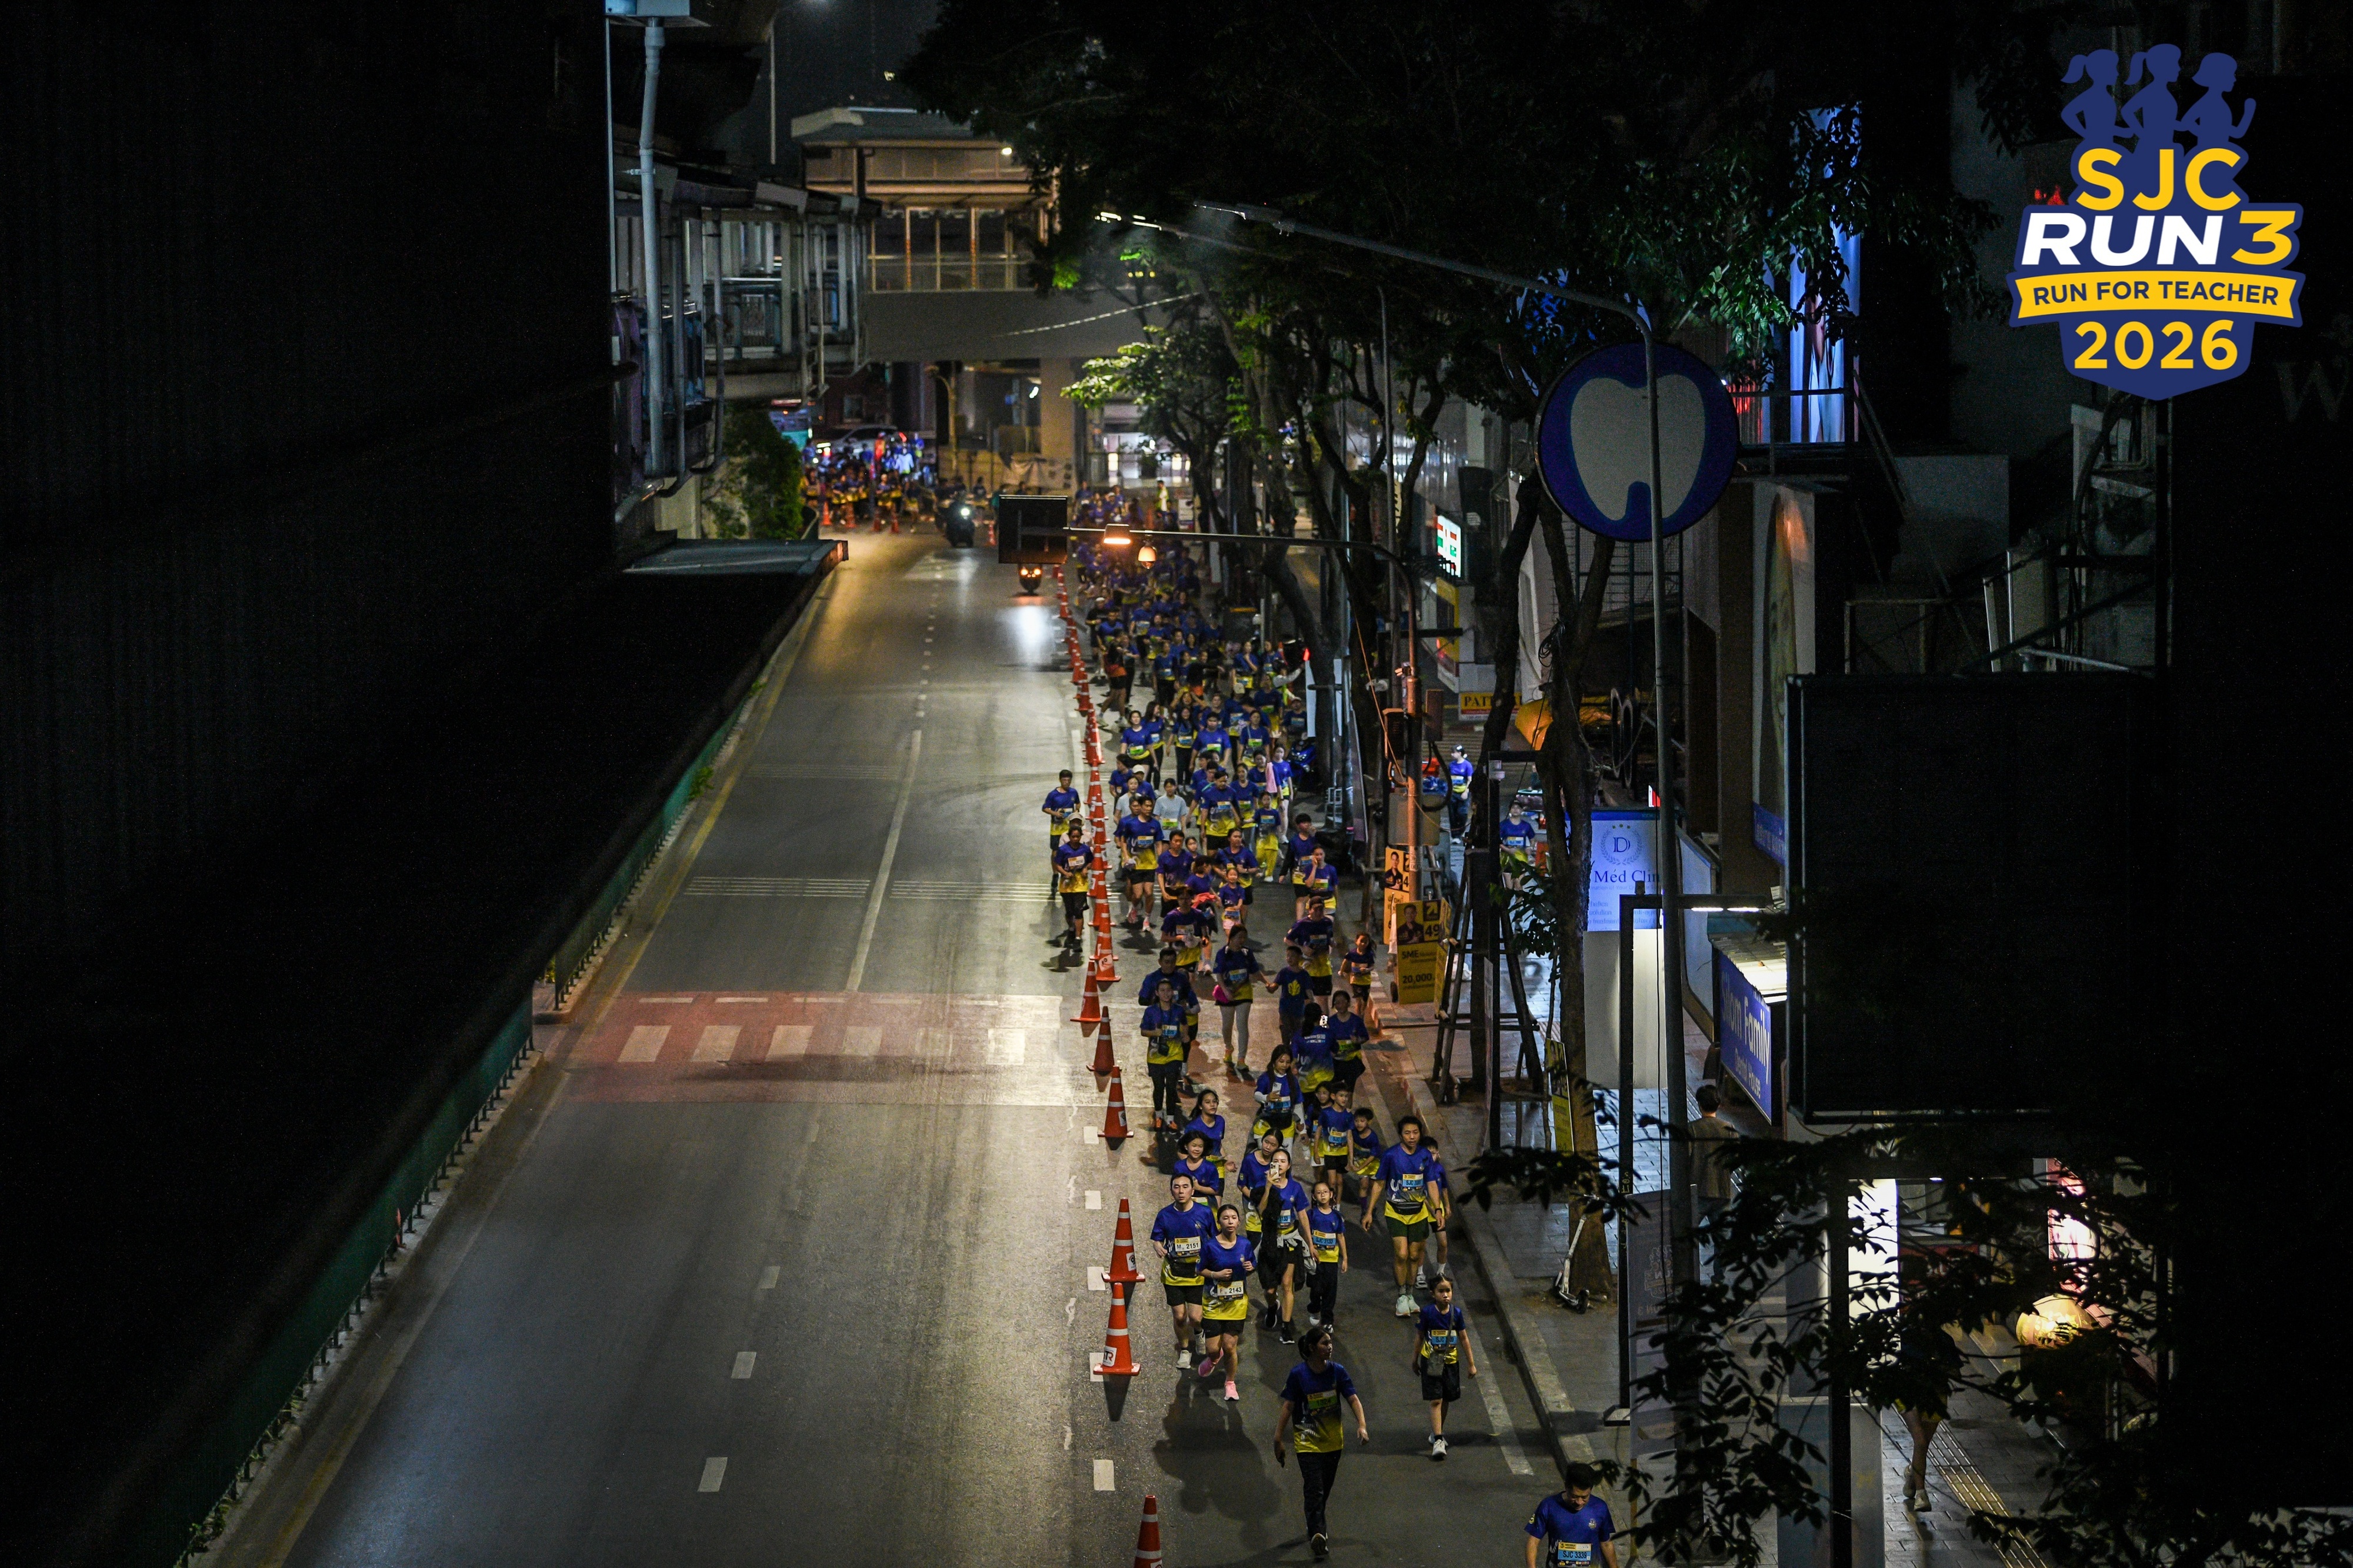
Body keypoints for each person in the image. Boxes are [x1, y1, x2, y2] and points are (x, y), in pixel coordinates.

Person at [1274, 1324, 1368, 1562]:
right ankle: (1318, 1533)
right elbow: (1289, 1407)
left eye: (1330, 1343)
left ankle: (1315, 1523)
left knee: (1323, 1490)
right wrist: (1278, 1438)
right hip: (1307, 1441)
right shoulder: (1298, 1375)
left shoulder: (1337, 1372)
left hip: (1333, 1442)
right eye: (1325, 1343)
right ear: (1312, 1348)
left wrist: (1362, 1425)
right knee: (1314, 1488)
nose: (1330, 1347)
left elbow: (1353, 1399)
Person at [1365, 1113, 1445, 1317]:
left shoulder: (1425, 1156)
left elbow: (1431, 1183)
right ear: (1400, 1135)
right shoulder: (1391, 1156)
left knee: (1414, 1255)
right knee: (1401, 1254)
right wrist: (1369, 1212)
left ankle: (1410, 1294)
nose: (1412, 1136)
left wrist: (1437, 1209)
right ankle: (1401, 1296)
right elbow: (1380, 1183)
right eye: (1407, 1133)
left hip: (1418, 1213)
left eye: (1415, 1132)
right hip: (1396, 1212)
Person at [1149, 1172, 1217, 1369]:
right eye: (1177, 1187)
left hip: (1198, 1274)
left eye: (1185, 1187)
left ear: (1192, 1191)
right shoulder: (1164, 1215)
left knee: (1196, 1318)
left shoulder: (1204, 1213)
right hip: (1174, 1273)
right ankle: (1185, 1350)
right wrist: (1158, 1246)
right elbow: (1157, 1239)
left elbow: (1214, 1239)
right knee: (1179, 1316)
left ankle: (1199, 1331)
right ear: (1171, 1191)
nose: (1181, 1191)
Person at [1415, 1273, 1477, 1459]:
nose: (1445, 1295)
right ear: (1433, 1294)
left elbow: (1464, 1338)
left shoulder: (1456, 1314)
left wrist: (1471, 1364)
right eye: (1441, 1291)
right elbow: (1419, 1337)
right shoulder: (1427, 1313)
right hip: (1432, 1361)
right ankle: (1438, 1440)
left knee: (1447, 1398)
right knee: (1436, 1399)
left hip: (1450, 1362)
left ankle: (1437, 1431)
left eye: (1448, 1291)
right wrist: (1414, 1360)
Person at [1197, 1205, 1255, 1400]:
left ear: (1239, 1222)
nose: (1230, 1221)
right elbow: (1200, 1269)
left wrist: (1250, 1267)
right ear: (1219, 1222)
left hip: (1237, 1304)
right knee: (1214, 1349)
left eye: (1233, 1218)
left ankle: (1230, 1383)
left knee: (1230, 1346)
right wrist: (1216, 1274)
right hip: (1214, 1304)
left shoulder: (1245, 1244)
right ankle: (1214, 1358)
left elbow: (1252, 1264)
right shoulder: (1210, 1246)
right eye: (1225, 1218)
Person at [1259, 1146, 1313, 1340]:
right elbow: (1261, 1212)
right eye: (1276, 1161)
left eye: (1283, 1161)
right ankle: (1273, 1306)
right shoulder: (1264, 1185)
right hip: (1271, 1242)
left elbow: (1303, 1215)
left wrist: (1310, 1243)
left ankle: (1286, 1327)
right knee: (1270, 1290)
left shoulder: (1295, 1188)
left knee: (1287, 1283)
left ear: (1289, 1165)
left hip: (1290, 1240)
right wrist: (1268, 1187)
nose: (1279, 1164)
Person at [1525, 1464, 1619, 1568]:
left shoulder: (1600, 1508)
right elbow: (1533, 1542)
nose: (1579, 1502)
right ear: (1566, 1487)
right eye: (1574, 1496)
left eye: (1584, 1497)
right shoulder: (1548, 1506)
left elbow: (1606, 1543)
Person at [1689, 1083, 1737, 1280]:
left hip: (1698, 1193)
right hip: (1722, 1193)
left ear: (1699, 1105)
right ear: (1718, 1105)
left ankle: (1690, 1275)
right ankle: (1719, 1277)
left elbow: (1684, 1160)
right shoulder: (1729, 1129)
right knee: (1722, 1240)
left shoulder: (1693, 1129)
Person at [1211, 925, 1266, 1076]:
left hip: (1244, 993)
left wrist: (1267, 983)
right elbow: (1219, 975)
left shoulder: (1247, 953)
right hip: (1227, 994)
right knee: (1227, 1026)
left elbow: (1255, 971)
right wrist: (1225, 991)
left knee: (1242, 1025)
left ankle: (1241, 1059)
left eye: (1244, 938)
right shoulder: (1223, 953)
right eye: (1239, 937)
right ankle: (1229, 1047)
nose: (1242, 940)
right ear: (1231, 937)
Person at [1141, 979, 1193, 1124]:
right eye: (1162, 990)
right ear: (1157, 993)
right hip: (1155, 1056)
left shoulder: (1179, 1010)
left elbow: (1185, 1024)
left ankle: (1171, 1119)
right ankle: (1158, 1115)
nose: (1166, 993)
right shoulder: (1150, 1011)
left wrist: (1185, 1035)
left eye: (1169, 990)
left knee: (1171, 1087)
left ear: (1172, 992)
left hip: (1175, 1055)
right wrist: (1155, 1033)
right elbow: (1143, 1031)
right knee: (1159, 1088)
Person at [1305, 1177, 1348, 1329]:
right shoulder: (1311, 1215)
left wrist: (1345, 1258)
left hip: (1331, 1261)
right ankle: (1314, 1308)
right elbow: (1306, 1232)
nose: (1322, 1195)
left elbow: (1340, 1237)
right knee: (1316, 1289)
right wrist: (1310, 1247)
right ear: (1314, 1196)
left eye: (1325, 1192)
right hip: (1316, 1260)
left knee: (1330, 1291)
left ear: (1331, 1194)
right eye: (1319, 1193)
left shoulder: (1337, 1217)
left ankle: (1328, 1320)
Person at [1118, 796, 1165, 935]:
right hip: (1135, 865)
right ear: (1141, 807)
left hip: (1150, 864)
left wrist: (1161, 858)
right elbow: (1124, 840)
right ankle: (1134, 908)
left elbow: (1158, 843)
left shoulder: (1155, 824)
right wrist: (1126, 856)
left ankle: (1147, 920)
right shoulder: (1131, 824)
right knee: (1138, 895)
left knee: (1149, 893)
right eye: (1147, 806)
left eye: (1151, 806)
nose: (1149, 809)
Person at [1053, 823, 1094, 956]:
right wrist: (1065, 873)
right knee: (1069, 911)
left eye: (1078, 837)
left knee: (1079, 910)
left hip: (1081, 884)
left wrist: (1086, 868)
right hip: (1067, 885)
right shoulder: (1063, 850)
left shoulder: (1085, 849)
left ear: (1081, 836)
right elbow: (1058, 865)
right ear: (1069, 837)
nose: (1075, 839)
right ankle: (1071, 928)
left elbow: (1091, 861)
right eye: (1073, 837)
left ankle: (1078, 938)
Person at [1322, 987, 1370, 1098]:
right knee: (1334, 1091)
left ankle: (1348, 1107)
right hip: (1336, 1062)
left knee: (1349, 1092)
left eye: (1342, 1002)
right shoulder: (1331, 1022)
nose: (1340, 1005)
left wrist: (1358, 1041)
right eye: (1337, 1003)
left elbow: (1365, 1037)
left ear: (1348, 1003)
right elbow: (1326, 1041)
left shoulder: (1356, 1021)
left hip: (1352, 1061)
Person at [1289, 895, 1337, 1000]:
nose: (1318, 913)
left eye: (1321, 910)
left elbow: (1330, 938)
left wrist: (1332, 943)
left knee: (1323, 999)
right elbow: (1288, 940)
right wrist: (1302, 949)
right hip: (1307, 967)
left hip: (1324, 967)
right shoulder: (1302, 924)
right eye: (1316, 910)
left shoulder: (1327, 923)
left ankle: (1323, 1013)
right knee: (1307, 999)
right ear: (1309, 910)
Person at [1182, 1087, 1229, 1188]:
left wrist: (1226, 1160)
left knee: (1217, 1197)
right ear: (1200, 1106)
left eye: (1214, 1102)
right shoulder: (1194, 1127)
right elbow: (1181, 1151)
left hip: (1217, 1168)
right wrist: (1191, 1167)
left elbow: (1218, 1144)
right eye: (1208, 1102)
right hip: (1200, 1170)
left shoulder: (1220, 1121)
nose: (1212, 1105)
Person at [1339, 930, 1381, 1040]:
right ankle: (1358, 1021)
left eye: (1366, 942)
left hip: (1366, 982)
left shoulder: (1369, 955)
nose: (1363, 944)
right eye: (1361, 941)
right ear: (1356, 941)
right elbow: (1345, 962)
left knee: (1364, 1002)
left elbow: (1372, 966)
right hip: (1355, 981)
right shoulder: (1352, 953)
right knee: (1358, 1001)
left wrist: (1367, 970)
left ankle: (1361, 1017)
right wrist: (1341, 972)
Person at [1271, 943, 1312, 1050]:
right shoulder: (1284, 972)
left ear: (1299, 957)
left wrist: (1311, 1005)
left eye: (1293, 956)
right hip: (1285, 1008)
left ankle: (1294, 1053)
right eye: (1288, 956)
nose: (1289, 958)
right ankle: (1286, 1051)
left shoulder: (1304, 975)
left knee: (1297, 1033)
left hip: (1299, 1010)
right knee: (1286, 1031)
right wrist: (1270, 987)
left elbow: (1309, 993)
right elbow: (1275, 985)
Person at [1041, 770, 1080, 876]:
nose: (1066, 782)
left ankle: (1067, 871)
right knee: (1055, 852)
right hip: (1056, 828)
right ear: (1060, 780)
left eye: (1068, 780)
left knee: (1071, 850)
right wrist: (1055, 813)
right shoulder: (1053, 795)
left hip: (1069, 828)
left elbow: (1078, 803)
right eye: (1064, 780)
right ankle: (1055, 873)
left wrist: (1076, 811)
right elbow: (1045, 808)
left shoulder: (1074, 792)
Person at [1345, 1105, 1384, 1205]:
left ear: (1369, 1122)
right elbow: (1349, 1137)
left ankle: (1372, 1206)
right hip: (1360, 1161)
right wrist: (1351, 1161)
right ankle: (1364, 1208)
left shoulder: (1373, 1138)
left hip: (1373, 1163)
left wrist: (1359, 1168)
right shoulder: (1354, 1131)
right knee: (1364, 1185)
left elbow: (1373, 1156)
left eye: (1362, 1121)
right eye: (1356, 1121)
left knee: (1373, 1186)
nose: (1359, 1124)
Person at [1447, 745, 1474, 838]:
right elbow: (1449, 778)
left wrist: (1466, 792)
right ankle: (1455, 835)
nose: (1452, 754)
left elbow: (1470, 780)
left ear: (1460, 753)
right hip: (1452, 793)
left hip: (1463, 793)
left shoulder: (1467, 765)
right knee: (1453, 815)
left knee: (1462, 814)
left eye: (1454, 753)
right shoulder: (1451, 765)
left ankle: (1460, 832)